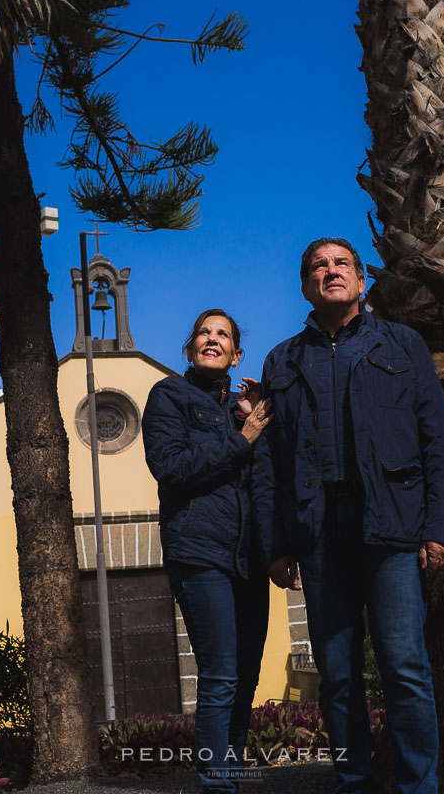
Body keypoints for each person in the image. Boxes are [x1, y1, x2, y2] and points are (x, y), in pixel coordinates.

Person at [254, 238, 444, 794]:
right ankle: (354, 782)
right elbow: (269, 465)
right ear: (305, 286)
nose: (331, 272)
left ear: (361, 281)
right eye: (318, 267)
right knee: (339, 677)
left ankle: (419, 787)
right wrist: (277, 545)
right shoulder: (282, 360)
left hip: (393, 532)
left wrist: (441, 532)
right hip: (319, 537)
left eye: (341, 264)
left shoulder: (403, 345)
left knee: (405, 670)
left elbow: (438, 441)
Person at [142, 308, 273, 792]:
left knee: (245, 678)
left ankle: (229, 775)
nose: (212, 340)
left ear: (237, 354)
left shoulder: (243, 410)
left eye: (223, 335)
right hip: (199, 554)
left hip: (249, 558)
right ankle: (218, 785)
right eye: (203, 332)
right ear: (190, 347)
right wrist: (244, 438)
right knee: (219, 675)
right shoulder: (169, 396)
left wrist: (258, 424)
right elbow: (172, 467)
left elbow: (267, 481)